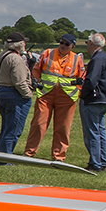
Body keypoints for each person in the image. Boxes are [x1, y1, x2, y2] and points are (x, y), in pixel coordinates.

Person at [23, 34, 85, 163]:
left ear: (72, 46)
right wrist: (37, 83)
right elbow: (36, 70)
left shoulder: (77, 59)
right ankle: (29, 152)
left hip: (67, 97)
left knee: (63, 128)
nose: (63, 46)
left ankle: (59, 156)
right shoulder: (47, 53)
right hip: (46, 95)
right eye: (61, 42)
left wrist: (77, 92)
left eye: (66, 44)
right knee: (38, 124)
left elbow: (82, 78)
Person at [0, 32, 34, 159]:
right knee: (14, 129)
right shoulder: (16, 59)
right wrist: (28, 95)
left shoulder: (1, 55)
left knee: (6, 126)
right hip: (14, 94)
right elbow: (19, 82)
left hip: (1, 91)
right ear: (20, 44)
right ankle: (5, 158)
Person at [79, 34, 106, 172]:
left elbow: (91, 80)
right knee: (101, 131)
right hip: (104, 99)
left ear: (91, 43)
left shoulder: (97, 59)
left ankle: (96, 163)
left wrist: (82, 94)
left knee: (92, 132)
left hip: (94, 99)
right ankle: (102, 161)